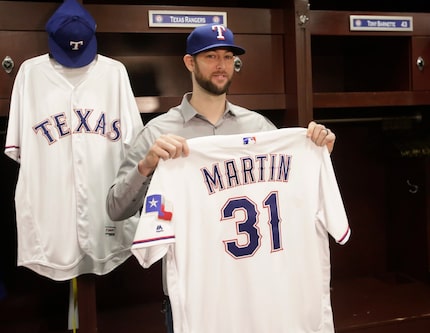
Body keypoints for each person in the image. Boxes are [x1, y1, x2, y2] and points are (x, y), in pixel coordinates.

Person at [106, 23, 336, 333]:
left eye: (228, 57)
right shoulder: (158, 133)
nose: (221, 66)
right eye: (211, 57)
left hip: (260, 293)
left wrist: (318, 155)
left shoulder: (261, 129)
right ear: (190, 63)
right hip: (197, 298)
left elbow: (292, 197)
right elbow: (116, 208)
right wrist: (147, 165)